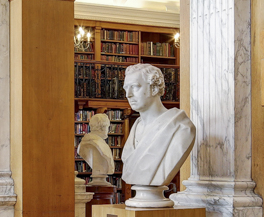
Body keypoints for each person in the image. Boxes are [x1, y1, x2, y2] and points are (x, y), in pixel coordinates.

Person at [119, 63, 194, 199]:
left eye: (135, 87)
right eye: (126, 88)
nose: (128, 95)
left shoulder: (181, 128)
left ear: (154, 88)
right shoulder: (136, 127)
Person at [78, 112, 116, 180]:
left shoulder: (92, 141)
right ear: (102, 127)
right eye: (107, 127)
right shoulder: (97, 143)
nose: (108, 130)